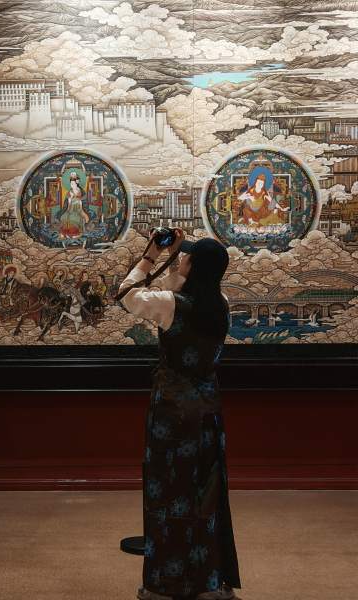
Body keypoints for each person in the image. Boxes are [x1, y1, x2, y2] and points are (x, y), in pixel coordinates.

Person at [118, 229, 240, 600]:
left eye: (187, 255)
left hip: (172, 413)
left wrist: (151, 256)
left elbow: (126, 294)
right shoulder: (222, 304)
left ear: (194, 265)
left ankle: (164, 584)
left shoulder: (170, 305)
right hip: (207, 410)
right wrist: (178, 262)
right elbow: (179, 291)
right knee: (205, 493)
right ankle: (207, 582)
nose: (182, 257)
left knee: (167, 493)